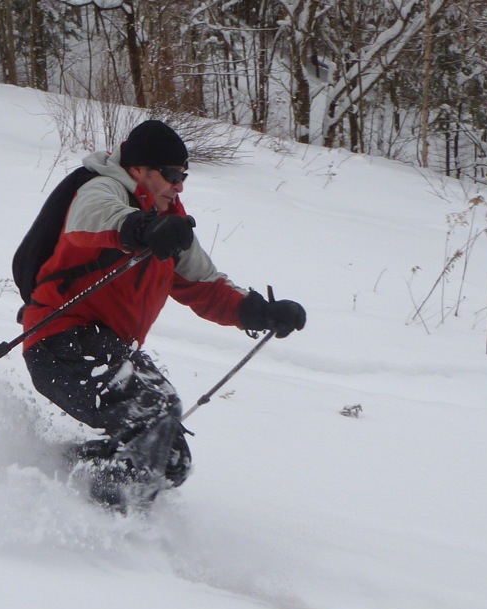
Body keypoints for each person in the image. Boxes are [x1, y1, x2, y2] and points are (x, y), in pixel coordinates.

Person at [22, 120, 305, 511]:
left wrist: (259, 312)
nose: (180, 185)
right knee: (156, 409)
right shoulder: (102, 189)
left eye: (184, 175)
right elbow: (97, 219)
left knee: (171, 460)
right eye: (173, 174)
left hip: (108, 346)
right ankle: (111, 523)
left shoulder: (170, 220)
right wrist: (141, 227)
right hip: (59, 341)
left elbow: (204, 284)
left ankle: (61, 472)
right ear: (139, 170)